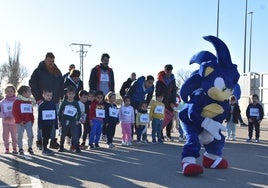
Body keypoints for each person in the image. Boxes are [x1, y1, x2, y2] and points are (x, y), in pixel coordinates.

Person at [29, 52, 63, 149]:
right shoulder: (38, 71)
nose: (51, 63)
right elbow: (32, 84)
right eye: (49, 61)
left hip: (55, 101)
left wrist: (61, 95)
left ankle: (52, 141)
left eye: (52, 61)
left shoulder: (57, 71)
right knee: (43, 122)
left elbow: (61, 84)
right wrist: (38, 98)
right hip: (42, 101)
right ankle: (40, 141)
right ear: (45, 60)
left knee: (53, 122)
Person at [88, 53, 114, 140]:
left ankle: (104, 133)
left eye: (107, 60)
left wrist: (112, 93)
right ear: (101, 60)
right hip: (98, 96)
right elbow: (91, 82)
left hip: (106, 96)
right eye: (105, 60)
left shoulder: (110, 71)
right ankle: (92, 133)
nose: (106, 62)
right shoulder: (95, 69)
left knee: (105, 116)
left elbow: (112, 82)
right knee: (95, 115)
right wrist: (93, 94)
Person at [156, 64, 177, 141]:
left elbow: (174, 92)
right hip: (162, 102)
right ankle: (160, 134)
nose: (168, 73)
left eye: (170, 72)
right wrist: (159, 101)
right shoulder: (159, 81)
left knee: (170, 118)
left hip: (170, 102)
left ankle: (168, 134)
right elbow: (157, 92)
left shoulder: (173, 80)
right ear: (164, 71)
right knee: (162, 118)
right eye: (167, 72)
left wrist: (173, 102)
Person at [58, 86, 81, 153]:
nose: (71, 95)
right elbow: (60, 112)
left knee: (75, 134)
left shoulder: (76, 103)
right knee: (63, 134)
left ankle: (76, 146)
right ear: (67, 94)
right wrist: (59, 121)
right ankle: (61, 145)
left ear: (74, 94)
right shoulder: (64, 102)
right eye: (69, 94)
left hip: (73, 121)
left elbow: (79, 112)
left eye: (72, 94)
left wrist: (77, 120)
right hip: (64, 120)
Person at [12, 85, 34, 155]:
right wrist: (19, 121)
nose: (30, 93)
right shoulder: (17, 101)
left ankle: (30, 147)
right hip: (19, 122)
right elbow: (14, 112)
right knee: (20, 136)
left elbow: (31, 112)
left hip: (28, 122)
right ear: (24, 93)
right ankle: (20, 149)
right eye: (29, 92)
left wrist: (32, 121)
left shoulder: (29, 102)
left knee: (31, 135)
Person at [38, 89, 58, 155]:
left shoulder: (53, 104)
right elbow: (40, 116)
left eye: (50, 95)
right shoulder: (41, 105)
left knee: (48, 136)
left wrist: (55, 124)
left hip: (50, 124)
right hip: (44, 124)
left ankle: (46, 147)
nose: (49, 97)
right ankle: (44, 149)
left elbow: (55, 115)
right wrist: (39, 125)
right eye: (47, 95)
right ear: (43, 95)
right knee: (45, 136)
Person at [0, 85, 18, 154]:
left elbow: (17, 110)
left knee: (14, 136)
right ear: (5, 92)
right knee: (5, 136)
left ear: (14, 92)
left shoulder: (16, 101)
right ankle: (7, 148)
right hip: (5, 122)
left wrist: (12, 116)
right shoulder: (2, 102)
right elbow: (1, 111)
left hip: (13, 122)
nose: (9, 92)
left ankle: (14, 148)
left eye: (11, 91)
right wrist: (4, 116)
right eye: (8, 91)